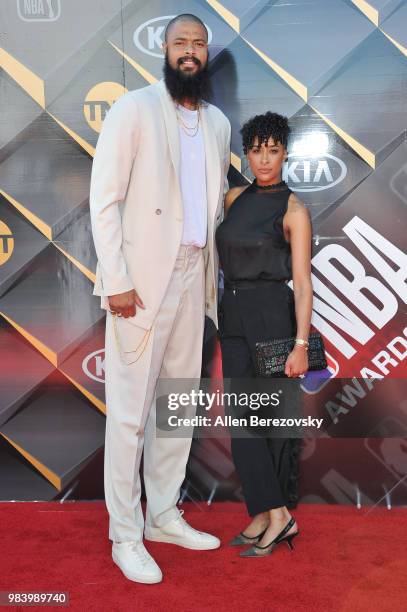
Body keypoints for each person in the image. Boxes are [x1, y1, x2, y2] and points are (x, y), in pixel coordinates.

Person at [89, 14, 231, 583]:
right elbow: (104, 200)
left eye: (199, 44)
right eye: (181, 43)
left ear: (206, 54)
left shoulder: (218, 122)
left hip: (194, 277)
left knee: (174, 407)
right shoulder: (134, 109)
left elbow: (212, 206)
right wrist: (117, 279)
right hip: (140, 285)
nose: (190, 52)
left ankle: (164, 515)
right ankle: (125, 532)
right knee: (128, 414)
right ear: (165, 49)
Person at [215, 112, 313, 557]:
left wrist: (301, 344)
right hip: (232, 315)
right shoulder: (234, 198)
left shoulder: (293, 208)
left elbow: (303, 282)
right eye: (256, 150)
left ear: (286, 152)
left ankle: (278, 516)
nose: (264, 159)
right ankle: (266, 512)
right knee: (241, 422)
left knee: (269, 424)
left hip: (273, 317)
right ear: (247, 152)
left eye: (273, 150)